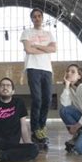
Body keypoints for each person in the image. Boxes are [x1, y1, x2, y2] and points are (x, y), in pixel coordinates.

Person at [20, 8, 56, 145]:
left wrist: (36, 46)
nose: (37, 18)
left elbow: (53, 49)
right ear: (32, 19)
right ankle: (35, 129)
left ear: (42, 18)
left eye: (39, 16)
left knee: (47, 99)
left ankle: (42, 126)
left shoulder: (48, 33)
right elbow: (28, 50)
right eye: (34, 16)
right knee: (37, 99)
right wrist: (44, 48)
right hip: (32, 68)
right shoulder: (26, 32)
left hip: (47, 69)